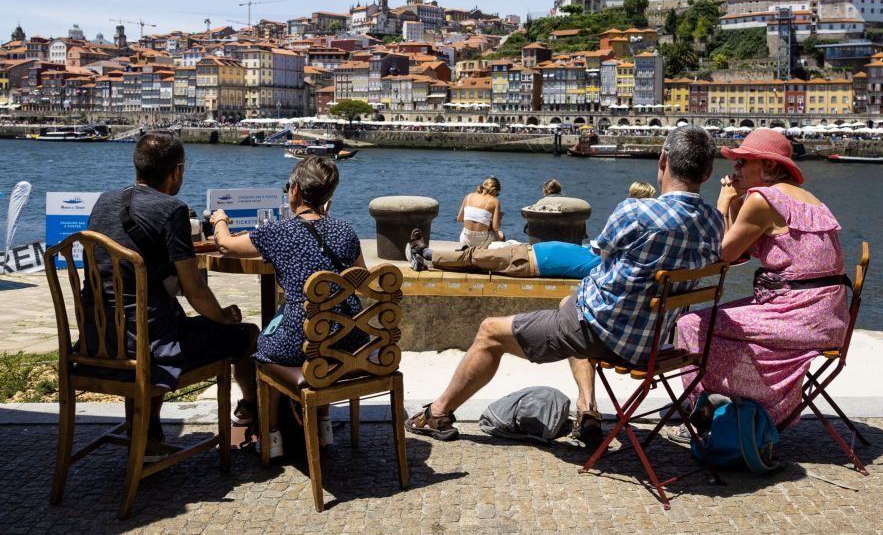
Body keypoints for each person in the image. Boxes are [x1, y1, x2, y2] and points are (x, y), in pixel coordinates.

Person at [405, 126, 724, 446]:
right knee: (571, 302)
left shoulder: (637, 211)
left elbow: (600, 251)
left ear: (663, 160)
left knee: (490, 330)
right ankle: (587, 409)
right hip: (650, 344)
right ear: (708, 172)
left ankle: (438, 413)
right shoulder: (713, 222)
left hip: (601, 333)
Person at [81, 132, 259, 459]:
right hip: (151, 348)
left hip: (99, 340)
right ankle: (254, 416)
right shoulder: (172, 209)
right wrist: (222, 316)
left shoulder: (103, 202)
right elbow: (194, 290)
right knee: (246, 336)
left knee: (155, 317)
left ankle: (147, 432)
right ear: (176, 171)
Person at [676, 128, 850, 428]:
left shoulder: (763, 199)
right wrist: (734, 204)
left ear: (769, 167)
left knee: (691, 324)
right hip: (828, 317)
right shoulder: (807, 199)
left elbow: (724, 255)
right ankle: (722, 405)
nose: (736, 168)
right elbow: (741, 252)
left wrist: (722, 203)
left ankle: (702, 410)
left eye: (744, 161)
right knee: (714, 323)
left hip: (798, 315)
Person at [212, 156, 368, 458]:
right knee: (318, 332)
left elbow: (227, 245)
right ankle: (323, 424)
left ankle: (272, 439)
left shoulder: (279, 232)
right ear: (328, 195)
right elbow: (360, 279)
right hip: (349, 338)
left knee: (261, 347)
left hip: (303, 343)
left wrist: (219, 219)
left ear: (294, 191)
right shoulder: (346, 230)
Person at [423, 240, 600, 279]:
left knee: (475, 256)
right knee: (476, 260)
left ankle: (427, 254)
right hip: (524, 252)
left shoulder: (598, 264)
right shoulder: (593, 252)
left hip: (525, 260)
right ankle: (432, 261)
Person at [456, 176, 503, 248]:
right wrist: (498, 219)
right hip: (481, 242)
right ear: (494, 189)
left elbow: (459, 218)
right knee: (501, 235)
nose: (496, 196)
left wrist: (480, 219)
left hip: (464, 240)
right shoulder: (495, 201)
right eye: (497, 194)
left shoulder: (468, 196)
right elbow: (496, 227)